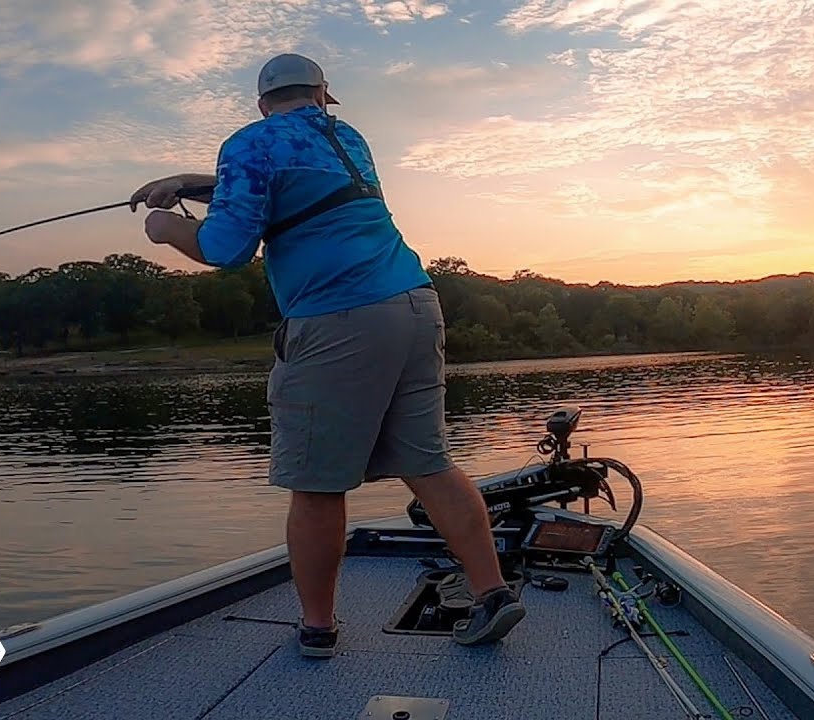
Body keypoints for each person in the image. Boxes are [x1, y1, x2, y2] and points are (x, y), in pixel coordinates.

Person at [130, 53, 525, 657]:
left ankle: (317, 628)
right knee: (429, 464)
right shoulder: (348, 138)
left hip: (338, 318)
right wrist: (193, 183)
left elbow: (226, 248)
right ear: (321, 95)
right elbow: (298, 193)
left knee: (316, 485)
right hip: (414, 306)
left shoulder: (249, 143)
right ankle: (492, 593)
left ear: (262, 104)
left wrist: (165, 227)